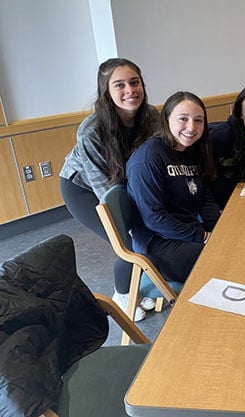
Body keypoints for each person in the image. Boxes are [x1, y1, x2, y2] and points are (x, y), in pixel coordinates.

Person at [59, 58, 159, 321]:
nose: (130, 90)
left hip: (120, 184)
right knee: (125, 240)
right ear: (107, 92)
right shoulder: (90, 131)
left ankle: (136, 289)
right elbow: (106, 191)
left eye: (134, 82)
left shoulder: (152, 117)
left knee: (143, 230)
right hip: (82, 188)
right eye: (120, 85)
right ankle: (122, 295)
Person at [126, 91, 220, 283]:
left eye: (199, 120)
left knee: (235, 242)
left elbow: (205, 197)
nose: (191, 127)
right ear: (167, 119)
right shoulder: (148, 157)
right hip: (160, 244)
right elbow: (154, 218)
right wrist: (201, 235)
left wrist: (216, 229)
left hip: (186, 232)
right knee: (227, 258)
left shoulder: (190, 150)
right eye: (183, 119)